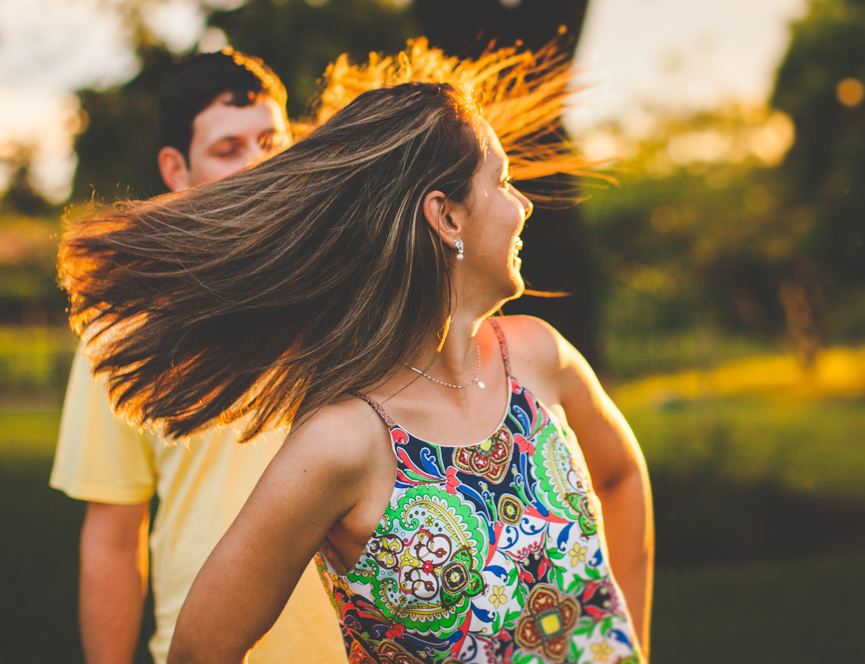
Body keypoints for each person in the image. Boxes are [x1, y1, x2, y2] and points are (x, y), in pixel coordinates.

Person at [59, 45, 654, 663]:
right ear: (444, 217)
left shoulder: (534, 355)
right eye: (501, 182)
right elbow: (151, 590)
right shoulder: (339, 431)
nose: (523, 203)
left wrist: (627, 644)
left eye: (270, 142)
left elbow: (619, 475)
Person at [49, 49, 346, 664]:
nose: (258, 164)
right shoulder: (124, 325)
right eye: (228, 149)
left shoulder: (350, 292)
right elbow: (111, 539)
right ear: (176, 169)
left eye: (271, 141)